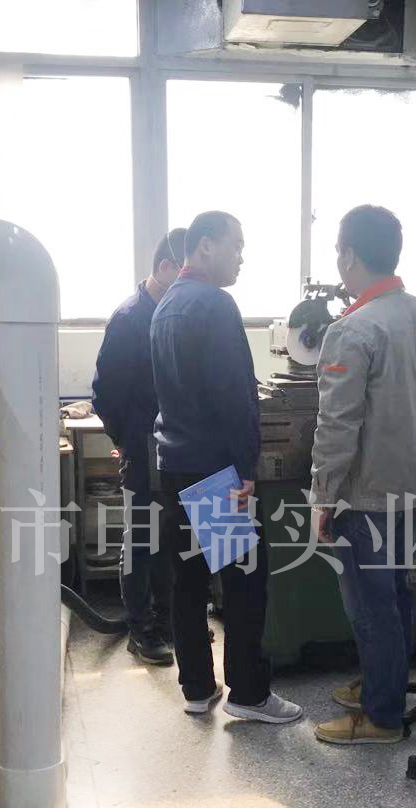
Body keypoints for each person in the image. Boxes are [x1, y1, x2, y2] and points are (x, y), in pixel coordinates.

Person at [151, 211, 303, 724]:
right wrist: (246, 468)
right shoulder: (215, 304)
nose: (241, 256)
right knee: (244, 581)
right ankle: (249, 694)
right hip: (215, 470)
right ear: (206, 246)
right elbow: (237, 397)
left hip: (174, 463)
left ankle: (197, 687)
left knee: (188, 582)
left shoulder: (166, 304)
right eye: (235, 245)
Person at [310, 205, 416, 746]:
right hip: (415, 488)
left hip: (366, 497)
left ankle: (383, 717)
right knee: (393, 593)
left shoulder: (353, 329)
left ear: (349, 256)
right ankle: (381, 683)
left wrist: (323, 498)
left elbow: (337, 426)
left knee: (371, 609)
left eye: (337, 251)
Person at [91, 228, 187, 666]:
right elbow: (105, 394)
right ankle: (140, 629)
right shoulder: (130, 319)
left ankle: (167, 620)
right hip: (143, 444)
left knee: (170, 538)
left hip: (176, 445)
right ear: (165, 268)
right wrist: (127, 441)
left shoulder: (176, 312)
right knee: (143, 538)